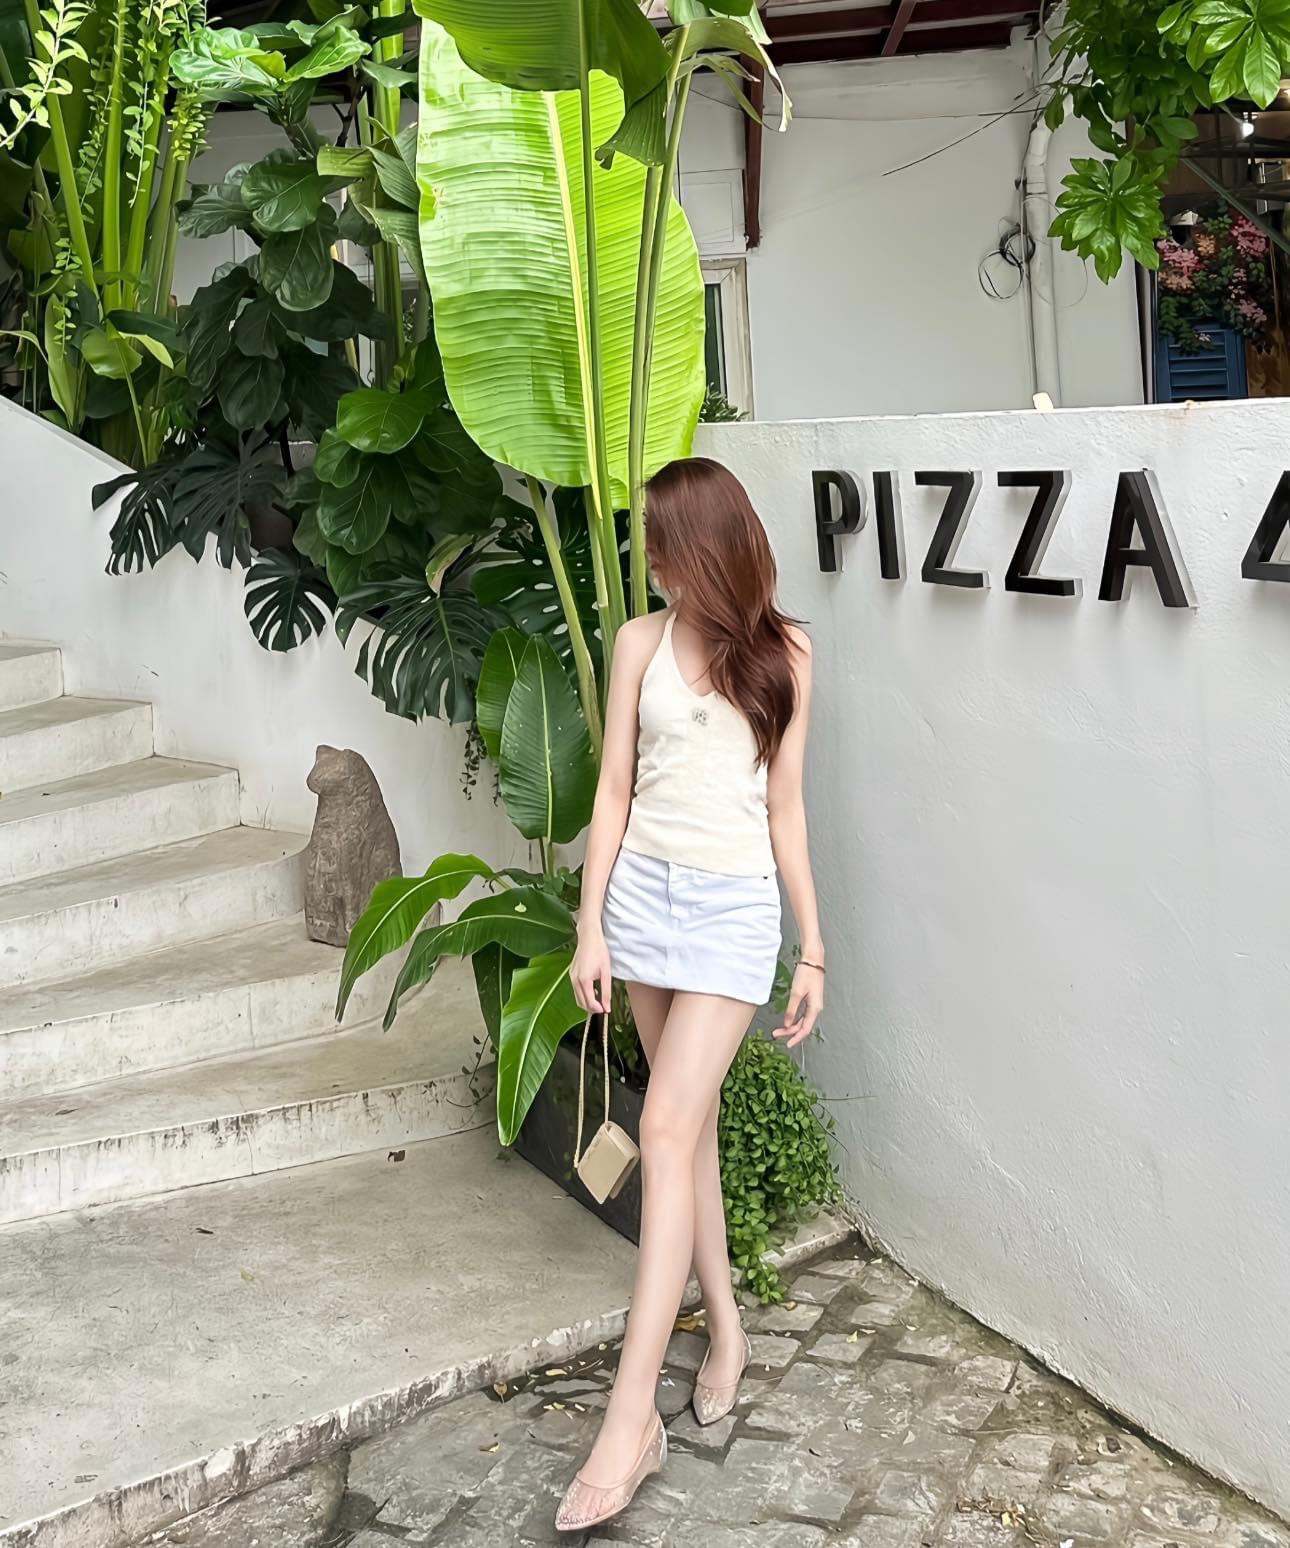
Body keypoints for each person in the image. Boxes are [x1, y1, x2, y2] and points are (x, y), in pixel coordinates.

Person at [556, 456, 826, 1533]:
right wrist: (590, 924)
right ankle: (728, 1328)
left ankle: (631, 1421)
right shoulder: (638, 643)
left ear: (707, 547)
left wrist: (814, 948)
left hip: (730, 914)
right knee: (693, 1134)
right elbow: (614, 788)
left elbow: (786, 809)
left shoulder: (787, 654)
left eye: (665, 547)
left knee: (664, 1129)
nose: (654, 563)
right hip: (643, 905)